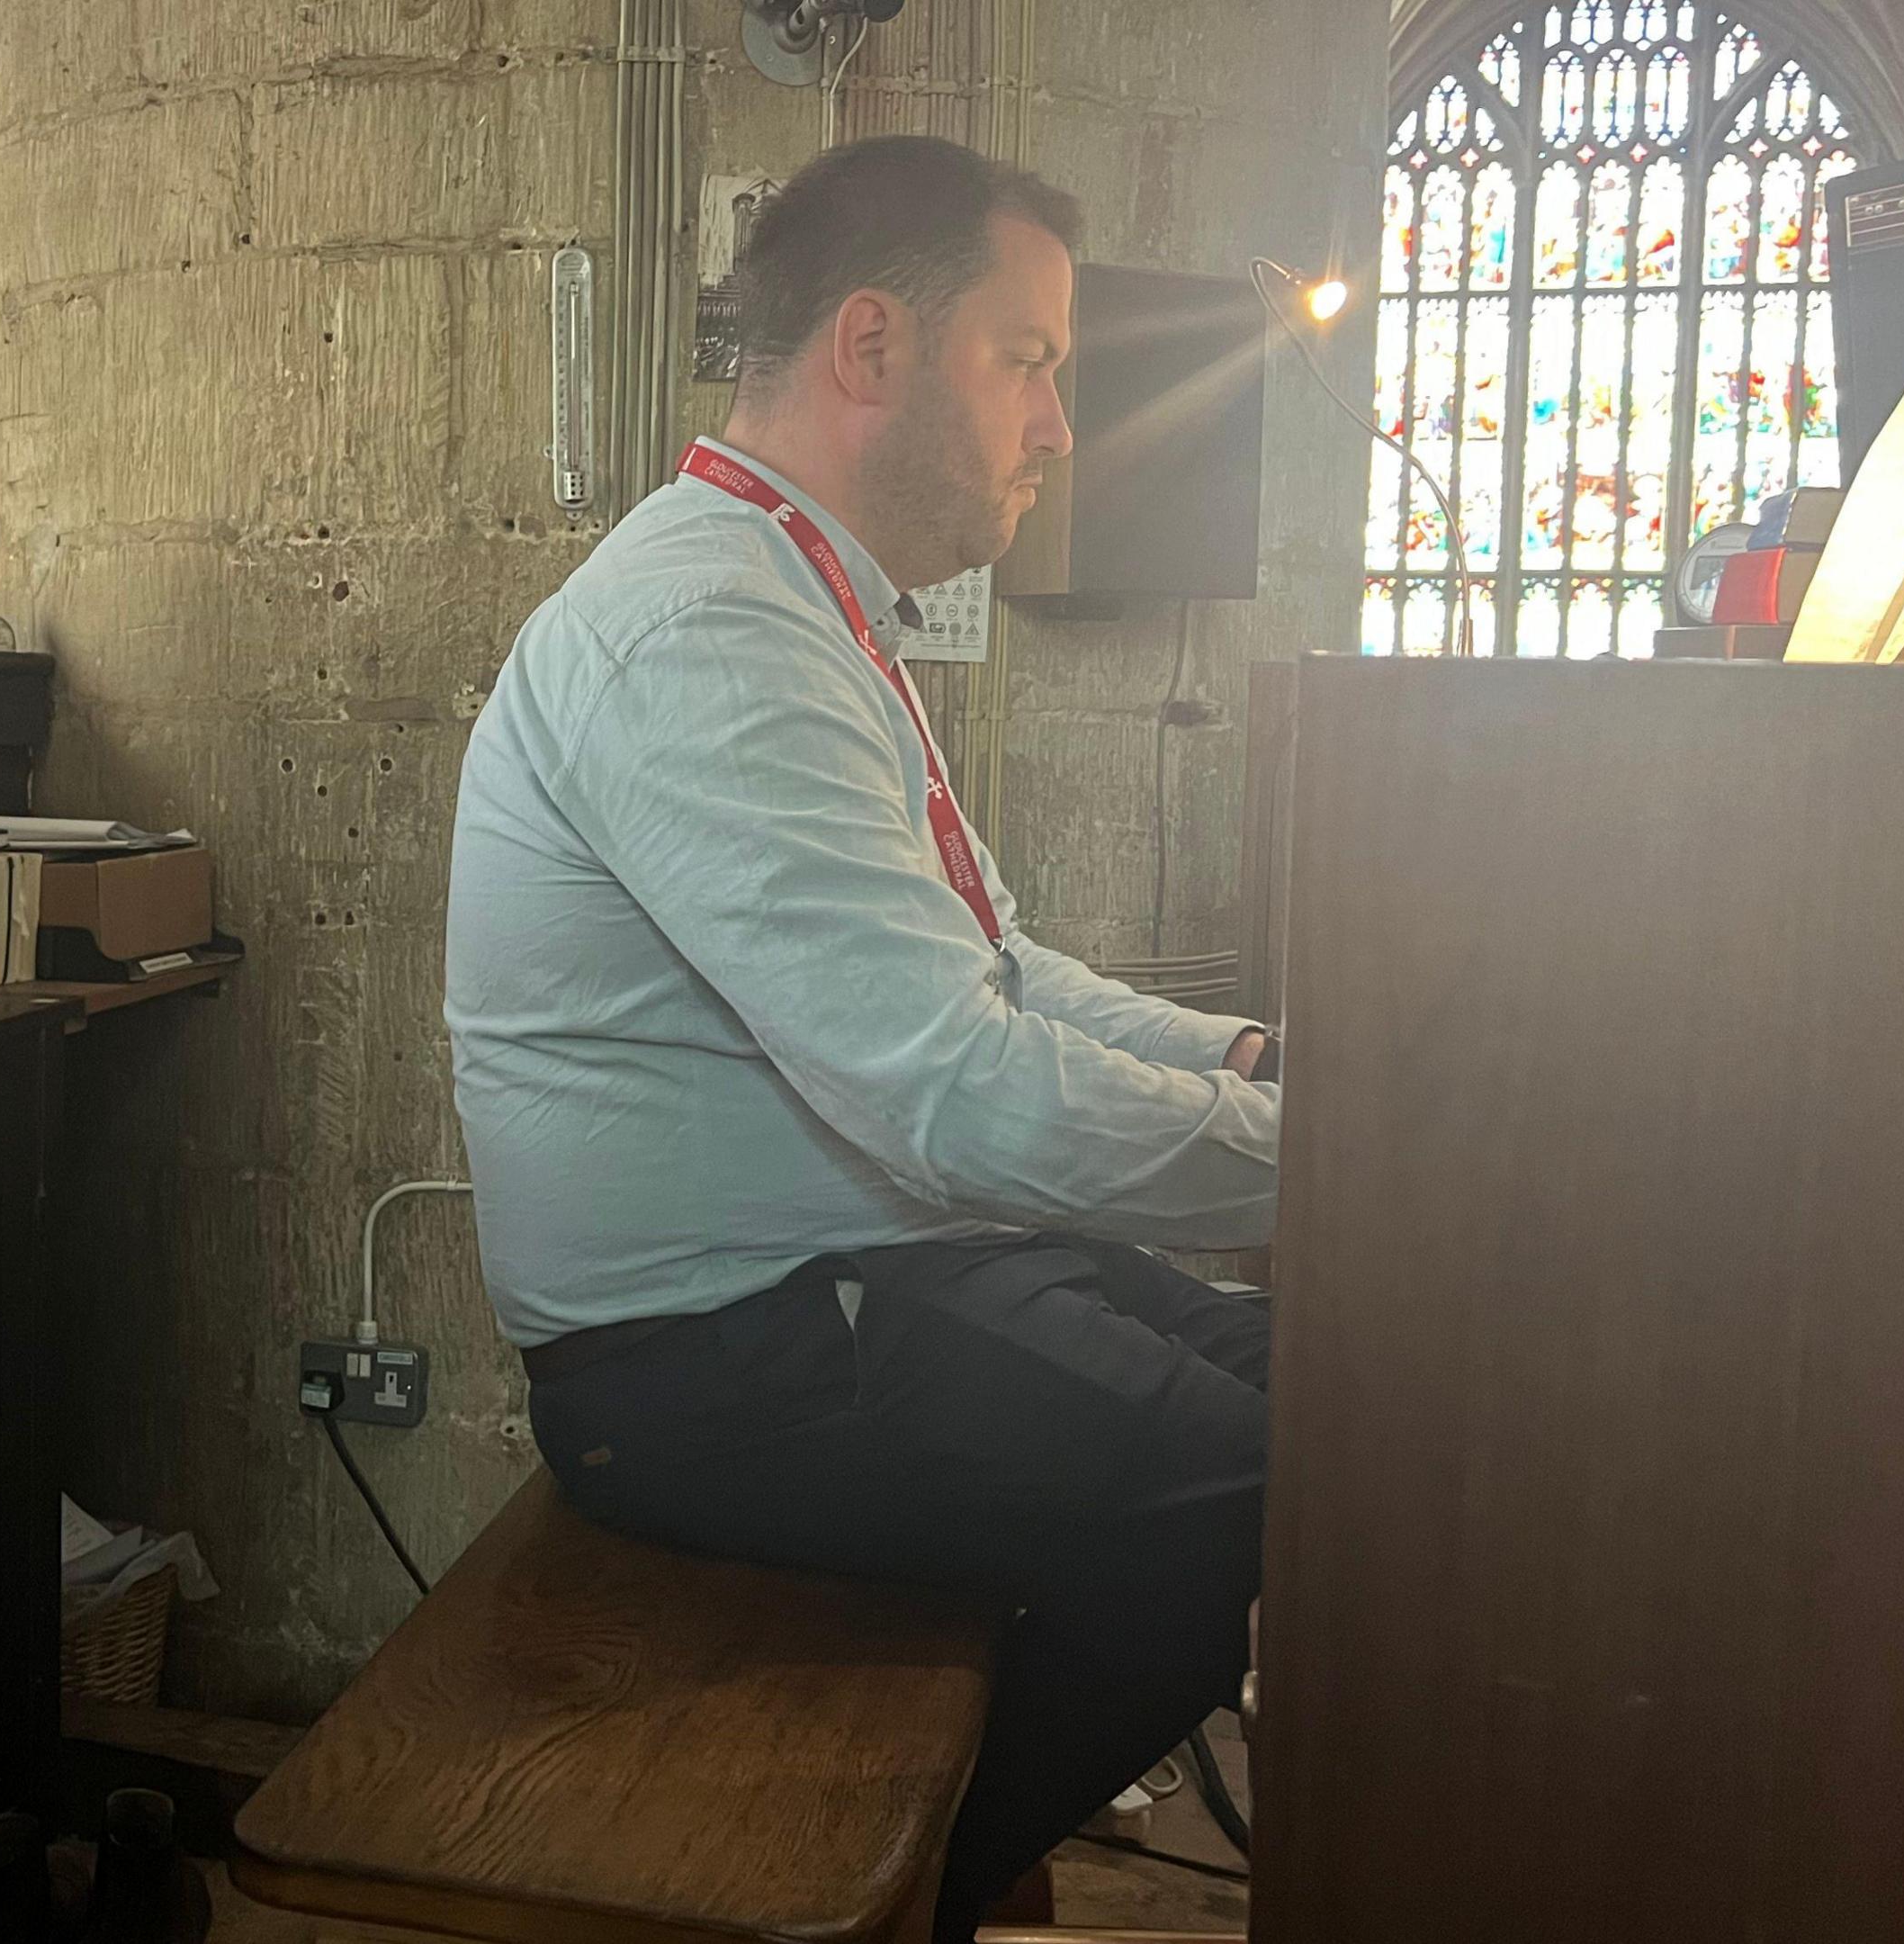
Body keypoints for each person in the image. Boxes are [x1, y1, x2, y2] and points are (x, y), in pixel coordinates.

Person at [444, 135, 1280, 1940]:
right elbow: (958, 1098)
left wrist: (1245, 1070)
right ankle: (905, 1904)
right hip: (713, 1368)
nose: (1057, 426)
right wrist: (1351, 1159)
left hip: (846, 1292)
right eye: (1031, 362)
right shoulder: (699, 631)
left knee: (1321, 1392)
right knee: (1262, 1494)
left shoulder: (791, 599)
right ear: (877, 349)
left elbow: (996, 968)